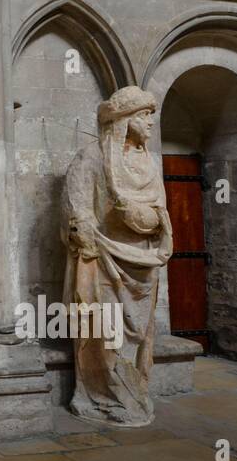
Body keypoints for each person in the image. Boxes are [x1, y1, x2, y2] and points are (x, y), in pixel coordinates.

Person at [61, 86, 172, 427]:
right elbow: (75, 207)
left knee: (139, 338)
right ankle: (101, 395)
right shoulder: (92, 157)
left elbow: (161, 211)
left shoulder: (147, 164)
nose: (150, 123)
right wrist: (83, 230)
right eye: (143, 115)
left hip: (142, 262)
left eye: (151, 115)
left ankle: (134, 394)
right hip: (102, 262)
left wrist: (151, 220)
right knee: (104, 334)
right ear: (124, 120)